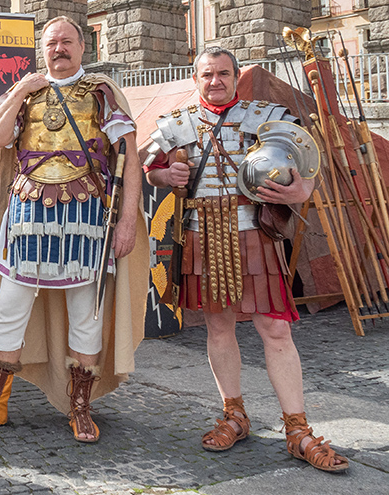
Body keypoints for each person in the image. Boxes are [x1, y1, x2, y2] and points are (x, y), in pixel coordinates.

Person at [143, 45, 348, 472]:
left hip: (255, 231)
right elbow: (149, 168)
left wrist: (299, 193)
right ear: (195, 78)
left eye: (222, 73)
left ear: (235, 76)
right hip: (201, 233)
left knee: (275, 329)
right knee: (218, 328)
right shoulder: (176, 124)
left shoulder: (267, 117)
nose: (215, 81)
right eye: (207, 75)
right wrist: (166, 175)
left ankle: (298, 430)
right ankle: (234, 415)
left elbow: (308, 167)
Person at [0, 15, 148, 441]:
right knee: (8, 311)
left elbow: (130, 159)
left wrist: (128, 220)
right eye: (51, 42)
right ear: (42, 49)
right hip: (25, 216)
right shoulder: (24, 94)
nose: (59, 48)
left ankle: (80, 406)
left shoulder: (101, 93)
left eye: (67, 41)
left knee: (86, 314)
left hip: (86, 218)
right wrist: (23, 87)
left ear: (83, 47)